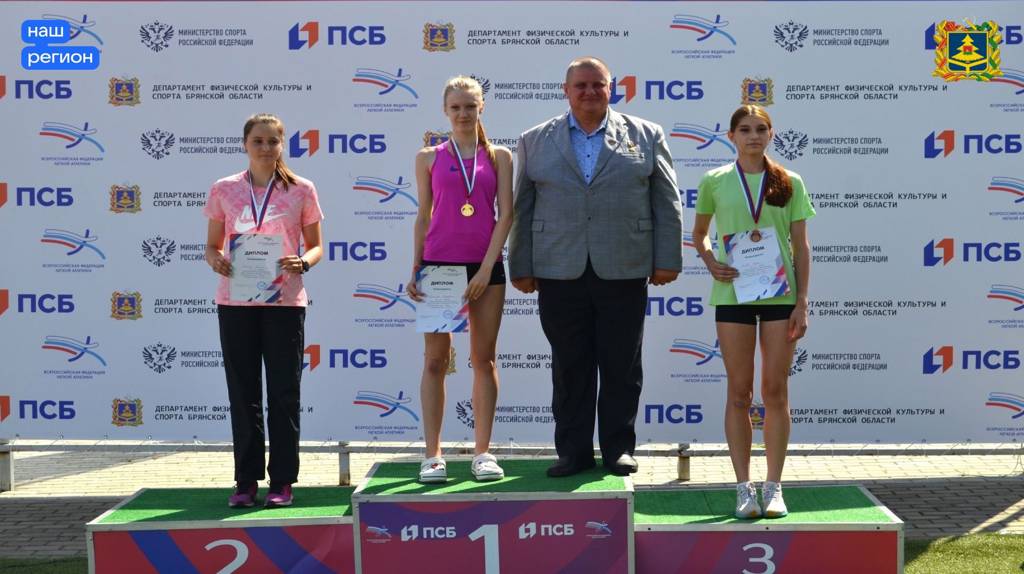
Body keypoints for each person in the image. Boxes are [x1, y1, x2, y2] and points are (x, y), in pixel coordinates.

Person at [509, 57, 683, 477]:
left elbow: (667, 201)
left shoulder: (647, 134)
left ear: (611, 88)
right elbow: (522, 208)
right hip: (557, 270)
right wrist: (521, 265)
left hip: (624, 266)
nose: (589, 92)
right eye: (581, 85)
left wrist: (667, 259)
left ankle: (618, 449)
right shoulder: (534, 139)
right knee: (569, 366)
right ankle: (573, 453)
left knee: (622, 364)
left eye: (597, 84)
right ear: (565, 90)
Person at [691, 105, 814, 518]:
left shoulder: (790, 181)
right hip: (733, 295)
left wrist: (802, 301)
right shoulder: (714, 180)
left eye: (761, 129)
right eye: (745, 130)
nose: (753, 136)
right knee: (739, 393)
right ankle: (743, 487)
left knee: (775, 391)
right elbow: (699, 234)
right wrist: (711, 262)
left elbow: (801, 246)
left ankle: (774, 487)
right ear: (731, 136)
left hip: (780, 296)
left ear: (771, 134)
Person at [204, 113, 324, 508]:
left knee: (284, 392)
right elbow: (212, 246)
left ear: (282, 145)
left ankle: (282, 481)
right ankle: (245, 481)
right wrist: (217, 260)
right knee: (243, 392)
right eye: (258, 141)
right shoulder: (223, 188)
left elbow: (316, 246)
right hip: (235, 301)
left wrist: (302, 262)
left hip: (284, 303)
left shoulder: (302, 189)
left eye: (273, 141)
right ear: (245, 144)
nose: (266, 148)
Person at [406, 76, 514, 483]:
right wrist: (415, 268)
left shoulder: (500, 156)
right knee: (435, 361)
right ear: (445, 111)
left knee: (484, 359)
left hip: (486, 268)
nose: (463, 114)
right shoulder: (428, 157)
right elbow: (423, 216)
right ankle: (432, 455)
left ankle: (483, 453)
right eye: (456, 107)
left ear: (482, 106)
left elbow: (506, 214)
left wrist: (486, 268)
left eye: (470, 106)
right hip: (438, 268)